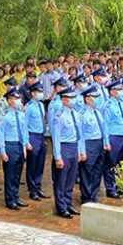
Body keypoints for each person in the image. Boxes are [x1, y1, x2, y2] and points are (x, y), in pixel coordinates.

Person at [51, 87, 85, 219]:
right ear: (64, 100)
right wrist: (57, 157)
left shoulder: (76, 114)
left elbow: (80, 135)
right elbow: (56, 138)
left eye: (74, 98)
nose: (73, 100)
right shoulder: (58, 116)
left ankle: (68, 203)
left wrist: (81, 151)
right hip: (64, 148)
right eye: (71, 98)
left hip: (74, 147)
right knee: (61, 180)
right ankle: (61, 207)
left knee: (71, 179)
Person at [0, 88, 31, 210]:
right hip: (9, 146)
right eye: (15, 99)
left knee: (17, 174)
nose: (18, 101)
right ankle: (10, 199)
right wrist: (2, 151)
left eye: (18, 99)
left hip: (19, 145)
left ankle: (16, 196)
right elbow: (0, 134)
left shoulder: (21, 115)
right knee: (10, 175)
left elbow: (24, 131)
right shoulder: (4, 116)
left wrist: (25, 146)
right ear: (9, 100)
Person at [77, 85, 110, 204]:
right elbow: (79, 135)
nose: (97, 99)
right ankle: (86, 196)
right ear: (87, 99)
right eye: (94, 97)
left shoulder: (98, 112)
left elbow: (104, 128)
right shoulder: (81, 114)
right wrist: (82, 151)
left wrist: (106, 142)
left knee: (97, 170)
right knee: (87, 171)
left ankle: (93, 194)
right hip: (88, 144)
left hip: (99, 143)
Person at [102, 79, 123, 199]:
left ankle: (117, 185)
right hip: (112, 136)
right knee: (110, 163)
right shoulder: (108, 105)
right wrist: (106, 141)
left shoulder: (121, 103)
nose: (121, 91)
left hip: (120, 136)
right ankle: (110, 188)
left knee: (119, 163)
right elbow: (105, 125)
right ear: (112, 92)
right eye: (118, 89)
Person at [24, 82, 49, 201]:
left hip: (41, 135)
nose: (40, 94)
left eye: (41, 92)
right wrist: (26, 142)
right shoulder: (29, 107)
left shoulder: (41, 105)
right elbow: (25, 125)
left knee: (40, 163)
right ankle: (32, 189)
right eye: (38, 92)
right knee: (32, 164)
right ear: (33, 93)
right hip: (32, 135)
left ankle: (38, 187)